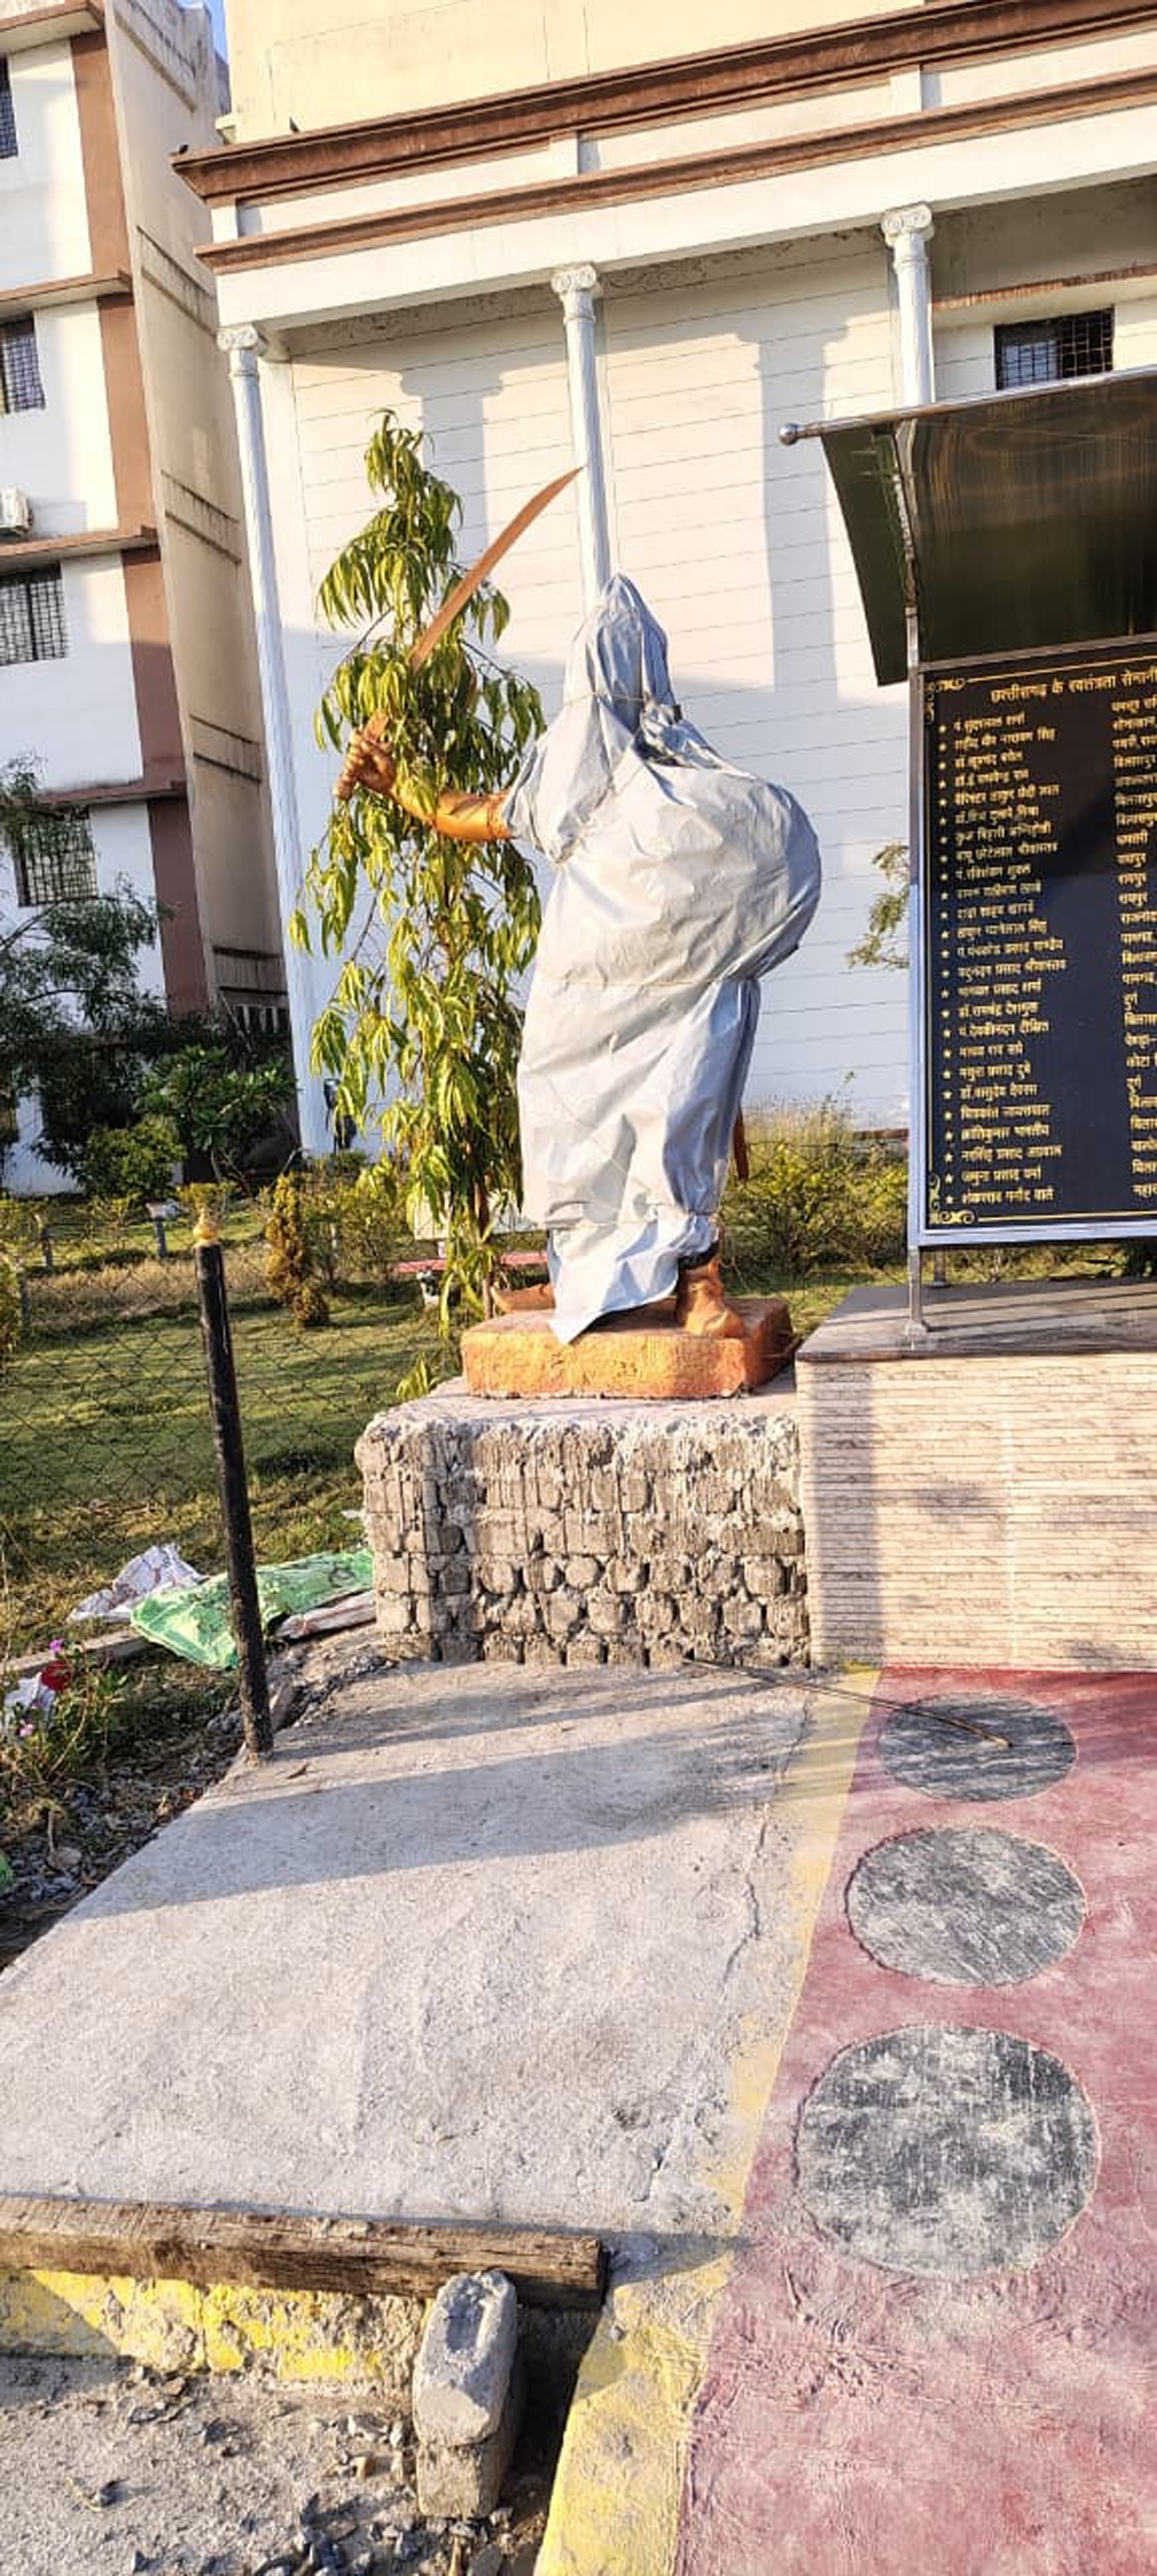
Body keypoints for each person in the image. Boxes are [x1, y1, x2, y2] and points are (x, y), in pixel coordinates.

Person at [338, 574, 821, 1342]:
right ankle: (586, 1282)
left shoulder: (695, 778)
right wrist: (394, 781)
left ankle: (698, 1285)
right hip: (586, 996)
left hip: (682, 997)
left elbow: (766, 864)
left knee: (676, 1121)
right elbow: (478, 814)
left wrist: (724, 958)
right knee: (569, 1124)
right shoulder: (575, 759)